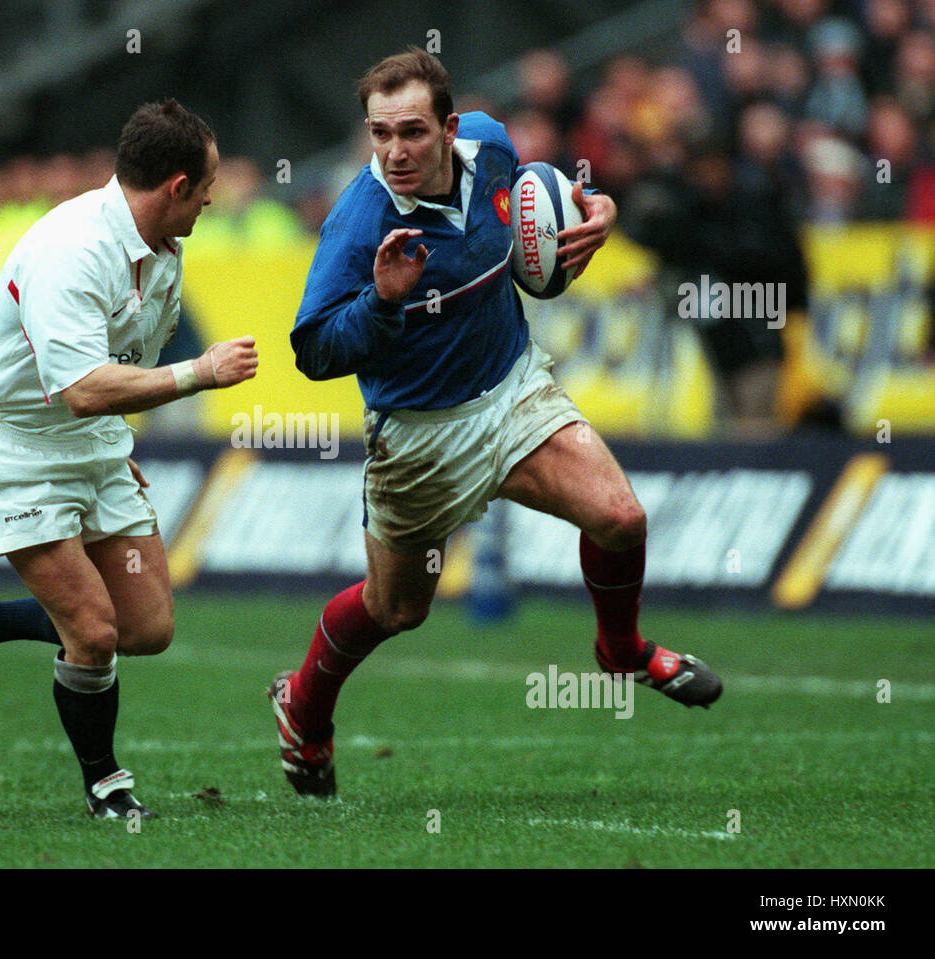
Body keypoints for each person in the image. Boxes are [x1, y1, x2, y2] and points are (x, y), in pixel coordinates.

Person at [270, 48, 722, 798]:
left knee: (620, 516)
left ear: (450, 127)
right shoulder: (359, 223)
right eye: (380, 134)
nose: (394, 151)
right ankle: (305, 706)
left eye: (412, 131)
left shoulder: (493, 143)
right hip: (417, 434)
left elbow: (542, 211)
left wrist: (594, 209)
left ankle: (622, 652)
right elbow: (314, 351)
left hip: (511, 389)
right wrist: (381, 301)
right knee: (396, 608)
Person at [0, 99, 258, 820]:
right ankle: (105, 782)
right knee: (95, 632)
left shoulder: (166, 251)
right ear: (175, 186)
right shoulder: (71, 250)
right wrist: (199, 372)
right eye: (205, 186)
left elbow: (115, 377)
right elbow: (80, 389)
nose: (211, 198)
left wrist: (115, 448)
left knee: (147, 628)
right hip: (19, 452)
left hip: (94, 446)